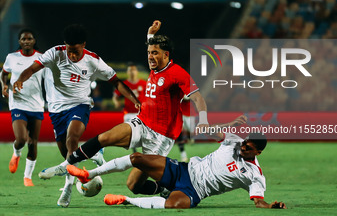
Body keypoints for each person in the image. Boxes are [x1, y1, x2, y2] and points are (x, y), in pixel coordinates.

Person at [37, 20, 209, 198]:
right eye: (149, 52)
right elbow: (152, 48)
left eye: (154, 53)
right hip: (142, 122)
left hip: (161, 135)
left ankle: (165, 189)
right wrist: (150, 34)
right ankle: (66, 165)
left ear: (166, 55)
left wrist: (203, 120)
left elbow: (198, 97)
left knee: (133, 185)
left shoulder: (177, 73)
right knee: (104, 137)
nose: (150, 56)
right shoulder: (155, 64)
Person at [13, 24, 140, 207]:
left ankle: (67, 189)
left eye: (76, 51)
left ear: (84, 45)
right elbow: (32, 69)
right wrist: (19, 80)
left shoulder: (93, 60)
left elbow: (116, 81)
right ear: (65, 45)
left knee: (72, 139)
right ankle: (92, 155)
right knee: (68, 155)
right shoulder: (55, 53)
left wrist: (134, 99)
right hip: (56, 110)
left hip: (79, 105)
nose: (71, 55)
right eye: (69, 50)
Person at [67, 116, 286, 209]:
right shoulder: (233, 141)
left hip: (195, 191)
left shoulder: (255, 174)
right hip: (183, 170)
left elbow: (258, 201)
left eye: (249, 147)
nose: (244, 147)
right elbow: (207, 130)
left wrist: (270, 206)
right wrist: (231, 123)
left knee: (173, 205)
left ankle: (126, 200)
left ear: (258, 152)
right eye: (245, 142)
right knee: (137, 159)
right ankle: (90, 174)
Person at [0, 28, 44, 187]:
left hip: (37, 105)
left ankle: (27, 177)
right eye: (23, 39)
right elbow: (3, 73)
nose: (26, 41)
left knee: (33, 143)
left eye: (29, 39)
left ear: (34, 41)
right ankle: (16, 152)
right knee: (22, 139)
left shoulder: (41, 58)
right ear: (19, 42)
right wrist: (4, 85)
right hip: (17, 103)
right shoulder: (12, 58)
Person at [112, 62, 146, 153]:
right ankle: (134, 151)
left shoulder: (143, 83)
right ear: (127, 72)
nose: (132, 72)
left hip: (141, 113)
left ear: (137, 72)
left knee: (143, 134)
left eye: (134, 70)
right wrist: (116, 102)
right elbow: (115, 96)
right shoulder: (124, 84)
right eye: (130, 70)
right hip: (129, 113)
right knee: (131, 134)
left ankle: (143, 151)